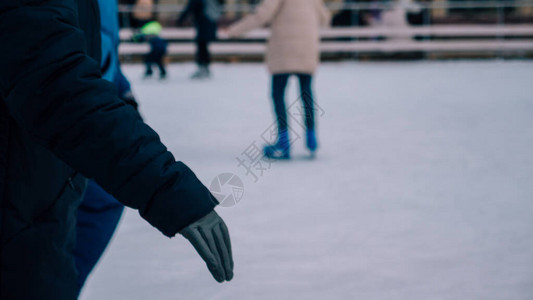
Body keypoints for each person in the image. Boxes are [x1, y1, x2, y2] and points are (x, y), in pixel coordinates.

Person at [0, 0, 233, 298]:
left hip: (44, 188)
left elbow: (94, 52)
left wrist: (121, 94)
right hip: (23, 200)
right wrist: (167, 187)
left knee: (99, 206)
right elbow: (57, 83)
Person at [74, 0, 137, 294]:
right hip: (70, 112)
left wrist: (123, 89)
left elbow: (107, 44)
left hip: (94, 108)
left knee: (102, 199)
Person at [227, 0, 331, 159]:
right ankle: (311, 136)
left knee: (278, 94)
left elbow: (262, 15)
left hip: (284, 50)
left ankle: (283, 141)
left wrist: (233, 30)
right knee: (306, 93)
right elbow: (325, 18)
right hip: (307, 49)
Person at [177, 0, 222, 79]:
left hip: (203, 23)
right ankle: (205, 67)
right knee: (203, 46)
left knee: (201, 46)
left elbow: (190, 7)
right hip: (210, 23)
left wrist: (180, 19)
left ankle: (202, 67)